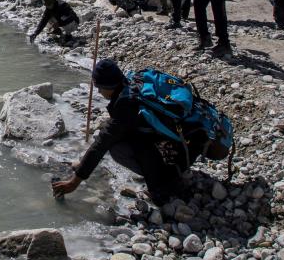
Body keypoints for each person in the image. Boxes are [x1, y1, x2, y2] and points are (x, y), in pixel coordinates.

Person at [51, 59, 188, 205]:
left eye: (99, 87)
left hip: (178, 154)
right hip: (183, 142)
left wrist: (74, 182)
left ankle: (165, 182)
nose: (98, 91)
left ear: (109, 86)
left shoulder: (126, 105)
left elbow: (102, 143)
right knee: (125, 137)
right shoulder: (131, 83)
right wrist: (83, 164)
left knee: (117, 148)